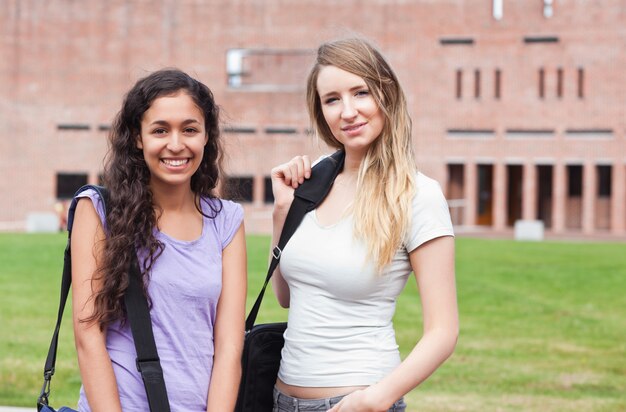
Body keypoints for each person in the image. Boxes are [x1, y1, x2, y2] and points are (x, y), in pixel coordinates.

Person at [270, 38, 458, 412]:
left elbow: (444, 331)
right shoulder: (313, 182)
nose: (348, 111)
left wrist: (375, 399)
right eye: (332, 99)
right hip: (281, 400)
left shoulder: (416, 195)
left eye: (361, 93)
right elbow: (287, 298)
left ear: (386, 95)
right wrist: (282, 211)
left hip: (358, 401)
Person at [70, 69, 247, 411]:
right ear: (138, 137)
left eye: (190, 129)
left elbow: (229, 347)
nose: (176, 144)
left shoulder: (227, 221)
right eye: (160, 130)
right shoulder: (99, 210)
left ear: (207, 136)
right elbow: (88, 336)